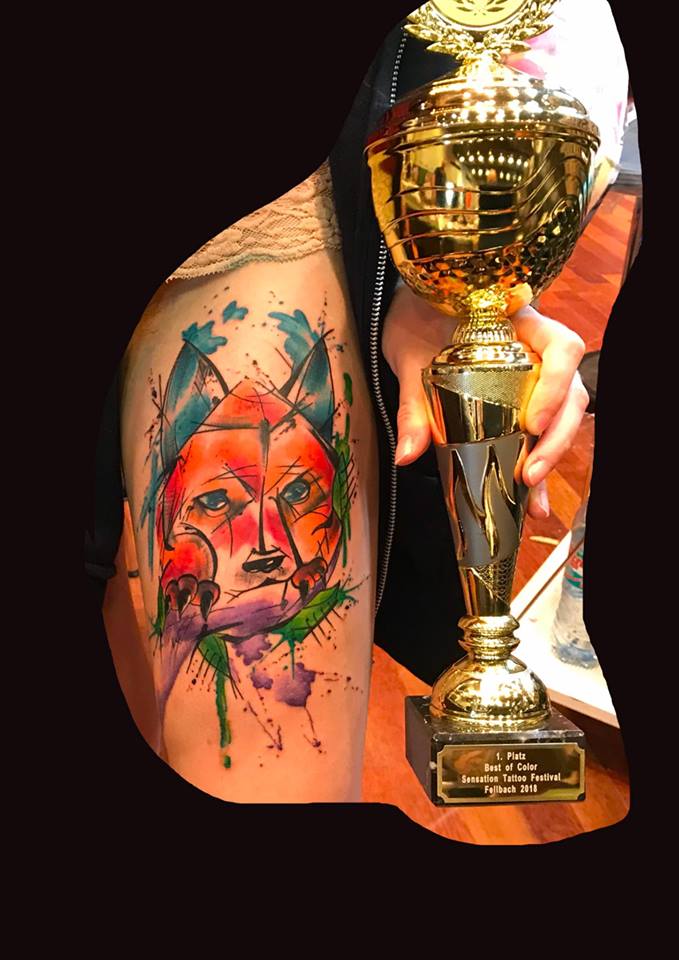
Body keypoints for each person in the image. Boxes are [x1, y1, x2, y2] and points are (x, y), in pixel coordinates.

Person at [93, 2, 629, 802]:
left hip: (249, 242)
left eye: (296, 496)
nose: (266, 544)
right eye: (221, 503)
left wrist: (437, 271)